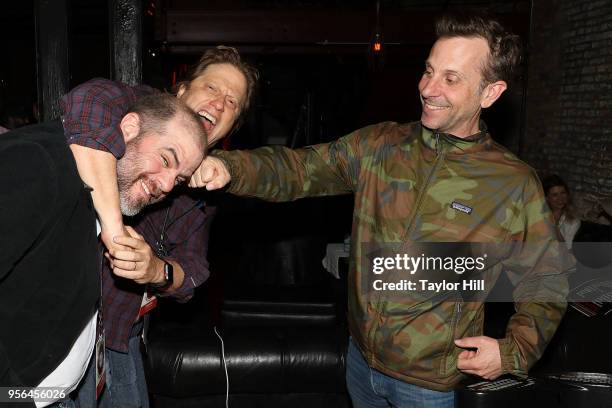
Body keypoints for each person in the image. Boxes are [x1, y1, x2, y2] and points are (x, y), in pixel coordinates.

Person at [189, 14, 568, 408]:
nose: (427, 88)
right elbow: (300, 169)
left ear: (490, 93)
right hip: (360, 363)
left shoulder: (513, 182)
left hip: (428, 386)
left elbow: (549, 277)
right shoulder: (382, 144)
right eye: (428, 71)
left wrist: (513, 352)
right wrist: (229, 168)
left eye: (450, 79)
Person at [61, 46, 258, 407]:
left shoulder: (206, 183)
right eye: (212, 88)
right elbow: (89, 102)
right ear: (181, 91)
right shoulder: (141, 110)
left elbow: (194, 272)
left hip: (117, 332)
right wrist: (115, 230)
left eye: (232, 102)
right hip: (58, 321)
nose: (218, 104)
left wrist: (155, 270)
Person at [0, 94, 206, 407]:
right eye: (166, 159)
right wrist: (12, 398)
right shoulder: (38, 162)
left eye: (178, 179)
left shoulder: (99, 190)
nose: (166, 185)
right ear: (129, 127)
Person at [543, 174, 581, 250]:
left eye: (563, 193)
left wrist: (555, 226)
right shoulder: (539, 215)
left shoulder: (573, 222)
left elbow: (566, 250)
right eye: (555, 195)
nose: (560, 198)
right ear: (547, 198)